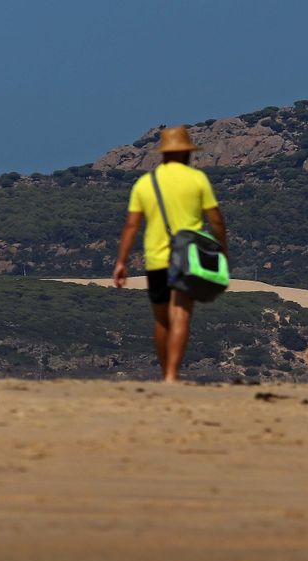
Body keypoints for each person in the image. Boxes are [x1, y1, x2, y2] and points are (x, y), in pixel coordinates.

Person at [112, 126, 228, 383]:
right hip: (188, 257)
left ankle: (166, 373)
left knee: (162, 320)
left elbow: (131, 225)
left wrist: (121, 262)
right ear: (187, 153)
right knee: (181, 315)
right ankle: (172, 376)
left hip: (156, 261)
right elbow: (217, 220)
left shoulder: (145, 183)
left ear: (162, 154)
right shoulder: (197, 179)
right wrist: (222, 249)